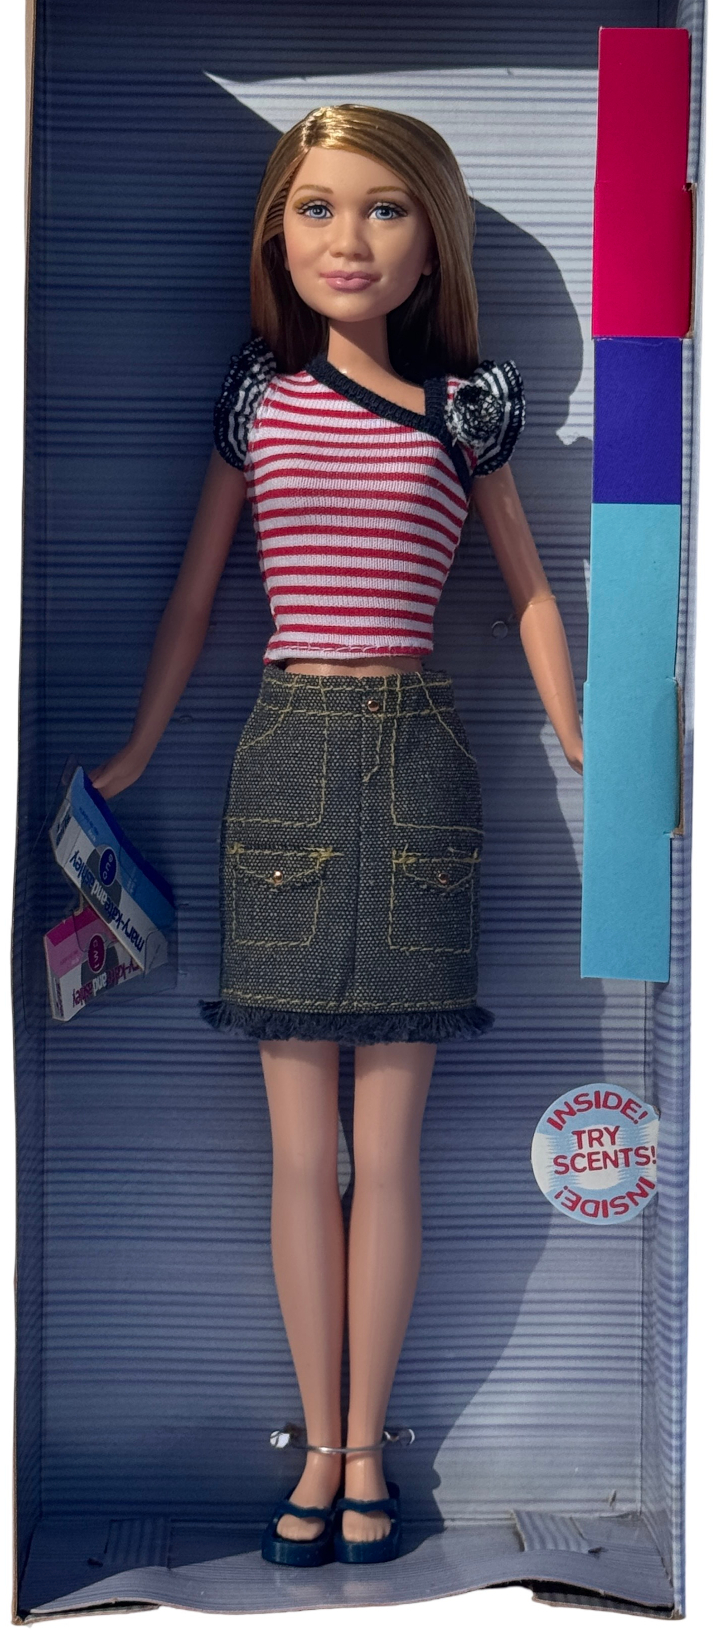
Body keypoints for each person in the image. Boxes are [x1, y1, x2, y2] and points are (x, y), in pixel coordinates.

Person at [90, 104, 583, 1567]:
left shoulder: (467, 407)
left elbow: (529, 589)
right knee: (301, 1152)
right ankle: (321, 1449)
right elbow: (194, 596)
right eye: (315, 208)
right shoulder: (257, 399)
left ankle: (367, 1453)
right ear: (274, 235)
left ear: (433, 241)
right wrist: (131, 753)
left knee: (393, 1147)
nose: (346, 240)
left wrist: (582, 737)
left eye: (382, 209)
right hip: (284, 756)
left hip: (422, 760)